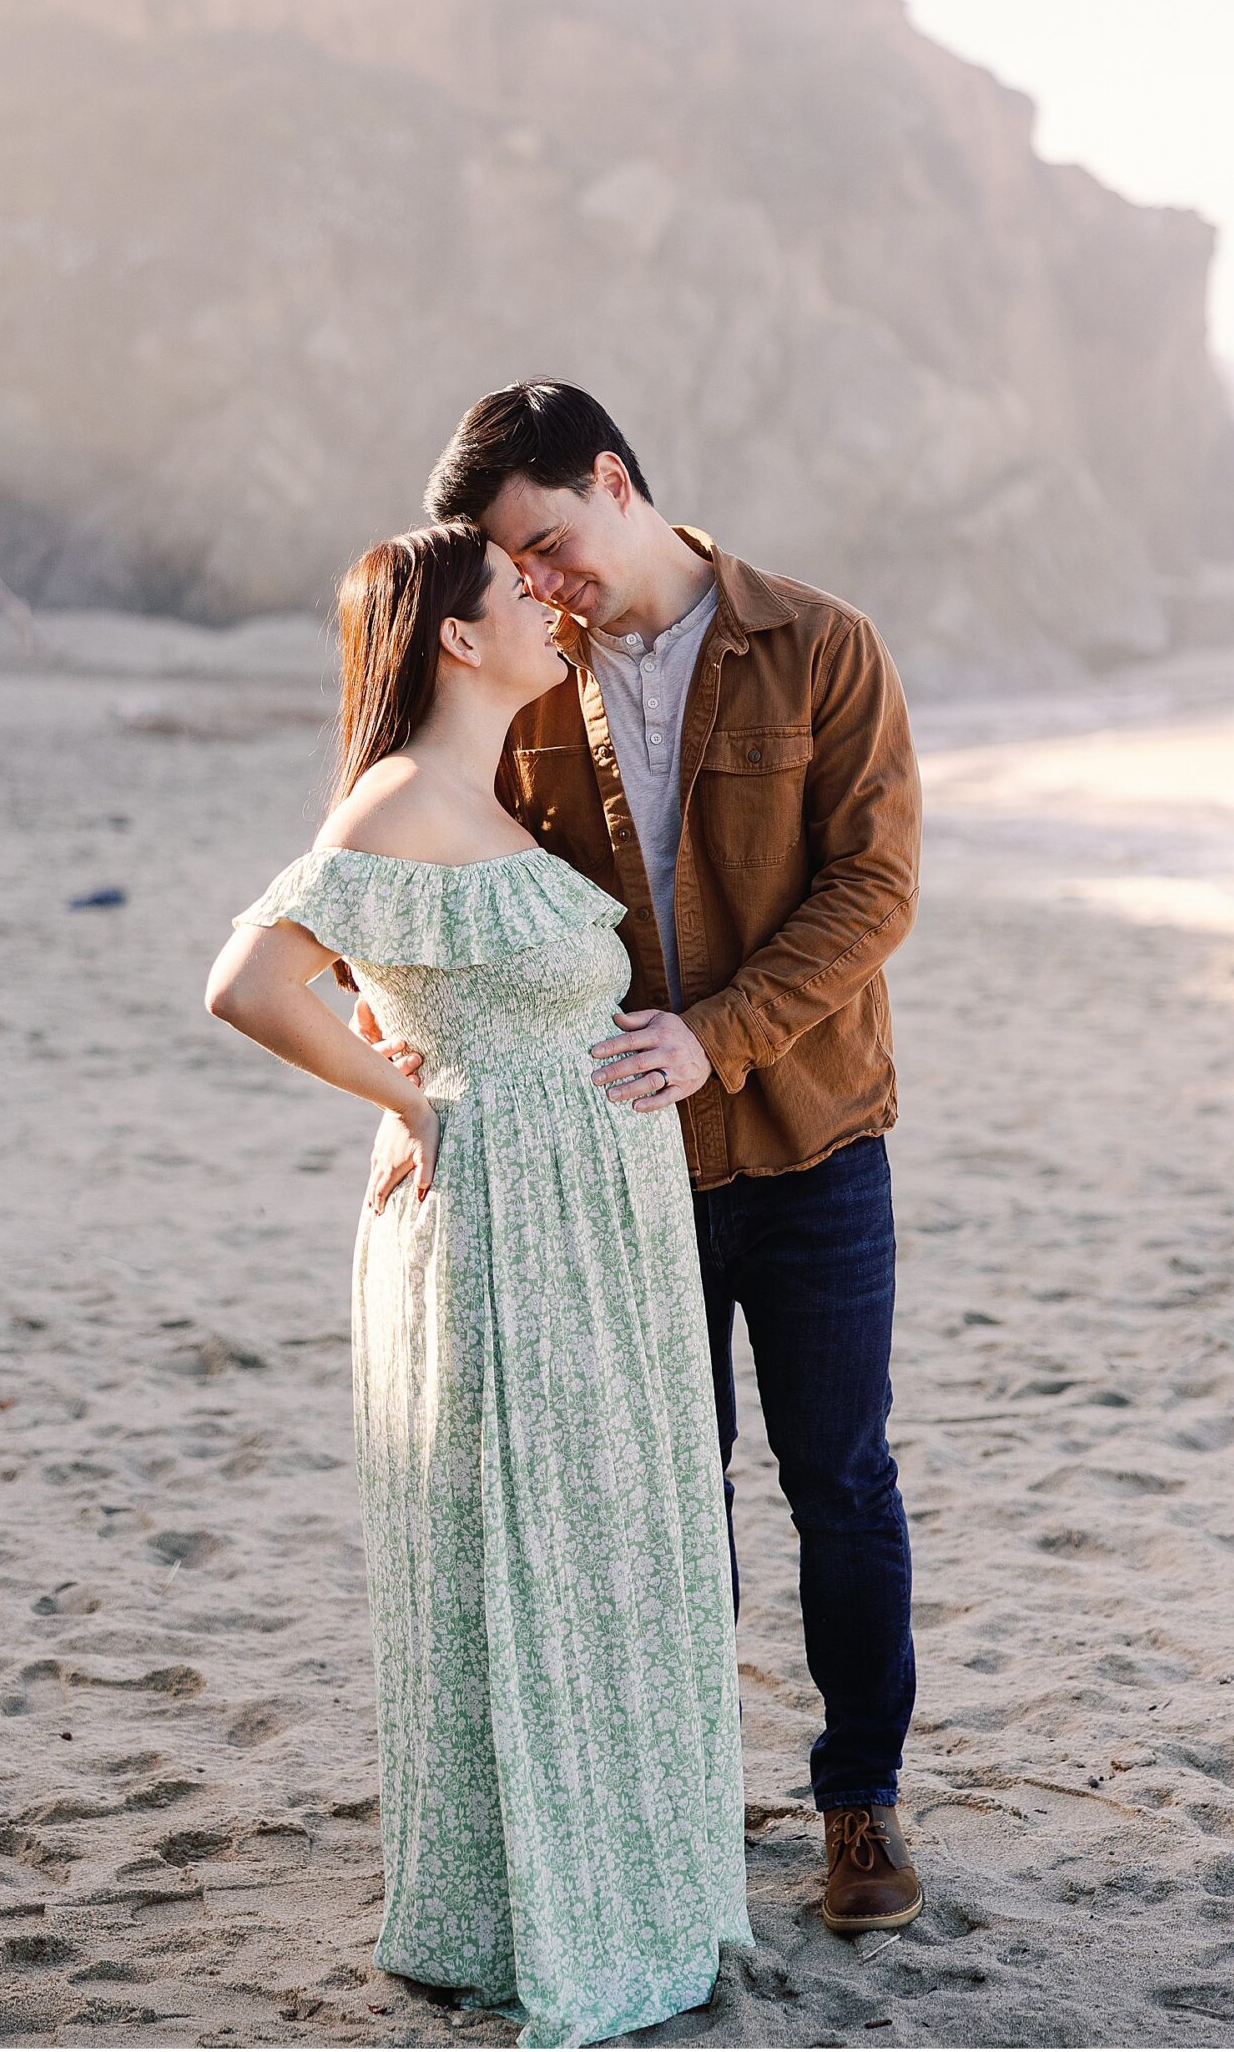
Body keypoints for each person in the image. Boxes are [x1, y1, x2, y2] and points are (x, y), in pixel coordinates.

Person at [363, 380, 926, 1935]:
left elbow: (872, 890)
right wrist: (395, 1046)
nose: (541, 583)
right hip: (610, 1168)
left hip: (813, 1140)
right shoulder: (528, 674)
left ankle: (859, 1808)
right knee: (661, 1499)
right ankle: (678, 1807)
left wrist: (716, 1036)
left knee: (841, 1482)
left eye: (548, 543)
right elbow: (420, 858)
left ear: (612, 480)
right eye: (515, 566)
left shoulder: (821, 644)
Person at [205, 521, 752, 2049]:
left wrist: (410, 1050)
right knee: (539, 1552)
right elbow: (249, 983)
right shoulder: (398, 799)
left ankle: (589, 1888)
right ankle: (538, 1915)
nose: (549, 610)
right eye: (519, 592)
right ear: (455, 635)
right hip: (514, 1229)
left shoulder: (487, 797)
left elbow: (417, 979)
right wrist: (407, 1099)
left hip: (594, 1231)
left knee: (602, 1549)